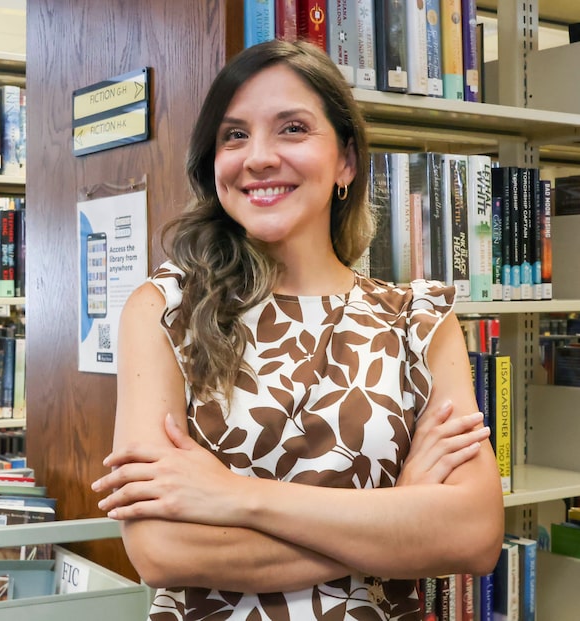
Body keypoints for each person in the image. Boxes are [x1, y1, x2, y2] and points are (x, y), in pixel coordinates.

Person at [91, 39, 504, 620]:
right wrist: (400, 515)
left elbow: (474, 536)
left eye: (292, 129)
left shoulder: (419, 319)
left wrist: (234, 497)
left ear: (346, 161)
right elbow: (161, 549)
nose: (257, 157)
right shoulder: (164, 310)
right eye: (234, 135)